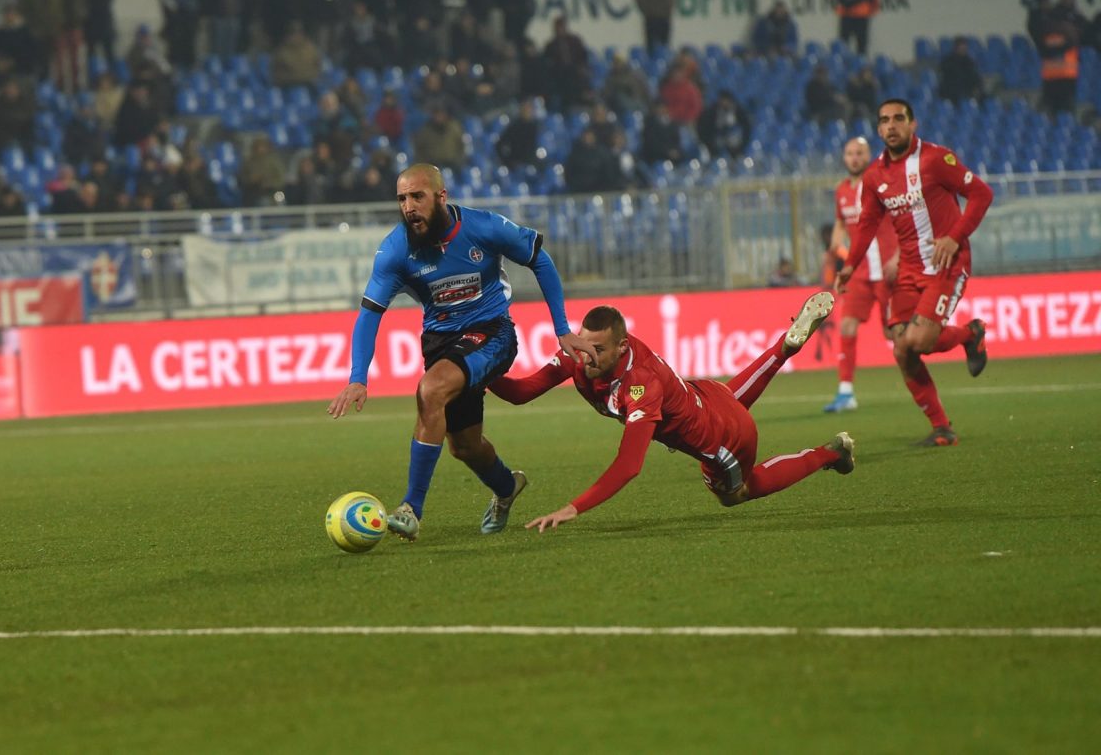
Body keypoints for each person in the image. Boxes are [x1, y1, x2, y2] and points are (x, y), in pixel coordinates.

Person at [327, 163, 596, 542]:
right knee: (465, 446)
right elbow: (370, 313)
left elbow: (541, 260)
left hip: (493, 332)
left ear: (441, 197)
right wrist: (357, 378)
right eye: (402, 198)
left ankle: (410, 509)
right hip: (440, 343)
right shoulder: (395, 250)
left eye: (417, 196)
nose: (408, 207)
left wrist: (561, 328)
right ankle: (507, 487)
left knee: (430, 390)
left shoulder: (483, 227)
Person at [490, 293, 854, 532]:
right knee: (724, 400)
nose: (586, 356)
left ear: (622, 347)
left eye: (598, 349)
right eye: (583, 344)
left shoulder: (640, 385)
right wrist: (478, 373)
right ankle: (784, 347)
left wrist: (573, 508)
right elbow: (523, 392)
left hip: (726, 443)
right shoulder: (583, 355)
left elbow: (629, 465)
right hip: (710, 395)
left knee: (735, 494)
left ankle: (829, 452)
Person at [836, 99, 993, 446]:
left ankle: (970, 334)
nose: (891, 126)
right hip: (908, 270)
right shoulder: (875, 176)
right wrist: (849, 266)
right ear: (878, 129)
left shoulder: (937, 160)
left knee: (919, 340)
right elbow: (866, 224)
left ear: (912, 124)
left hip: (945, 265)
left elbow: (981, 194)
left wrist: (954, 237)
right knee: (902, 351)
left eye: (898, 119)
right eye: (884, 121)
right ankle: (942, 428)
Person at [823, 137, 898, 413]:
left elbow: (902, 217)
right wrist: (836, 246)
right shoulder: (841, 190)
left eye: (859, 153)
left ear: (869, 156)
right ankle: (846, 393)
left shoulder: (881, 184)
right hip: (859, 271)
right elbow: (841, 221)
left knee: (895, 333)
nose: (854, 158)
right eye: (850, 153)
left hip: (888, 270)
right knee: (847, 326)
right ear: (844, 157)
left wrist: (899, 255)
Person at [937, 37, 983, 103]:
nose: (963, 50)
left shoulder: (969, 62)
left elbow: (975, 78)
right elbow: (946, 80)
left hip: (968, 93)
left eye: (964, 48)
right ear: (956, 48)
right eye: (961, 48)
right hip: (951, 94)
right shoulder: (947, 62)